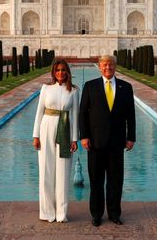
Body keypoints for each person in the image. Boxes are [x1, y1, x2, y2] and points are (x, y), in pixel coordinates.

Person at [79, 55, 136, 227]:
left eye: (110, 65)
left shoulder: (125, 87)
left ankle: (114, 213)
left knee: (115, 180)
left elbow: (131, 115)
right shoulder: (90, 86)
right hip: (95, 142)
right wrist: (84, 136)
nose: (107, 68)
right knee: (96, 180)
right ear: (99, 67)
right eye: (104, 65)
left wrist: (131, 137)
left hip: (117, 142)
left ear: (115, 67)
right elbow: (83, 114)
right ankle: (96, 214)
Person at [32, 59, 79, 222]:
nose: (60, 73)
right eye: (58, 70)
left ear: (68, 72)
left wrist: (75, 139)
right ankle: (47, 212)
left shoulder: (73, 90)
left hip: (65, 129)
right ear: (53, 72)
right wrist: (35, 135)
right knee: (46, 171)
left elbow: (75, 115)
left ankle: (61, 213)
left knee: (63, 172)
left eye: (63, 70)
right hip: (47, 128)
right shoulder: (46, 88)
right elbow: (39, 112)